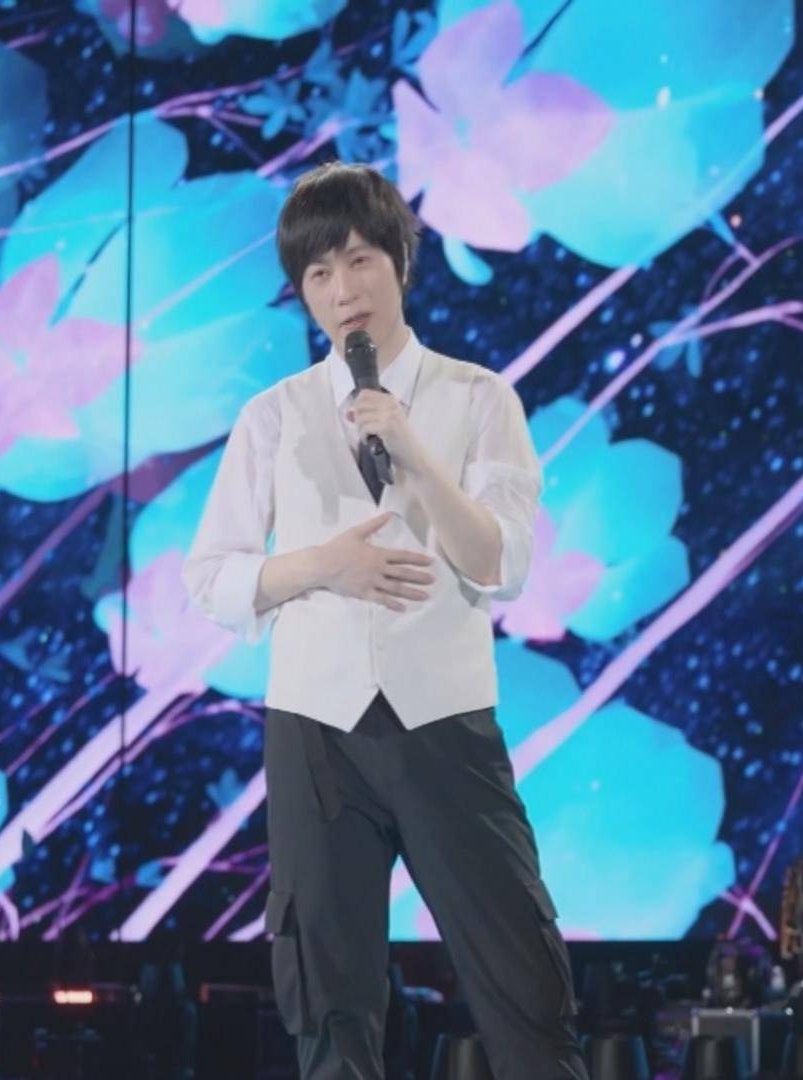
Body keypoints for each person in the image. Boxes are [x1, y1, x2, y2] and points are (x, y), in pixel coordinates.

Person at [184, 162, 586, 1079]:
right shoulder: (273, 416)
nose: (343, 290)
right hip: (316, 730)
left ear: (401, 261)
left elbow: (499, 562)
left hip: (443, 720)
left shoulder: (477, 397)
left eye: (360, 260)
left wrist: (412, 448)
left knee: (520, 976)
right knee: (329, 999)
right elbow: (209, 577)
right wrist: (325, 564)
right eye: (318, 274)